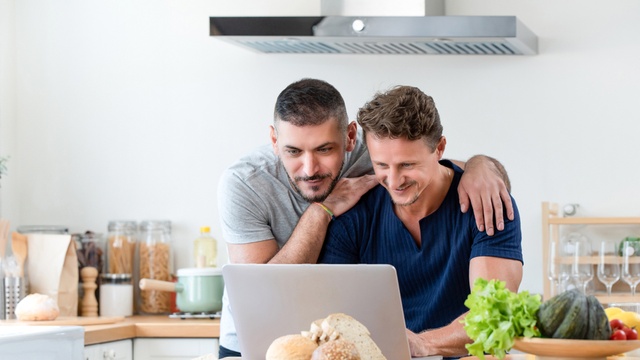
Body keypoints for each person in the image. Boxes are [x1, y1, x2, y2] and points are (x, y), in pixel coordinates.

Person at [216, 78, 515, 358]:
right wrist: (321, 211)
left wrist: (483, 166)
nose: (309, 168)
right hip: (253, 340)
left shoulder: (376, 152)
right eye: (293, 151)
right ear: (273, 139)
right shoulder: (244, 184)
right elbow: (260, 297)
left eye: (324, 149)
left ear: (349, 138)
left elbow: (439, 168)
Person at [317, 85, 523, 359]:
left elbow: (494, 315)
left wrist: (423, 345)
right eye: (381, 165)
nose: (394, 180)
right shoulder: (354, 216)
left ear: (439, 148)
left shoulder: (487, 204)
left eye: (407, 165)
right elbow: (332, 313)